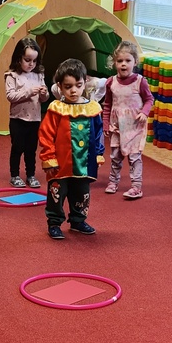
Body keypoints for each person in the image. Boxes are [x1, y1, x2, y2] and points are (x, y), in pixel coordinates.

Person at [38, 60, 104, 239]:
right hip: (60, 164)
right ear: (59, 86)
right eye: (68, 87)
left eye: (78, 85)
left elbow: (98, 133)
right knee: (57, 194)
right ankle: (54, 223)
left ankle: (78, 220)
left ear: (85, 83)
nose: (73, 90)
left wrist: (98, 154)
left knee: (82, 193)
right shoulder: (56, 109)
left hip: (84, 163)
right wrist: (49, 157)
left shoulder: (92, 108)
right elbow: (46, 134)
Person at [102, 40, 153, 199]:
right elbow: (107, 104)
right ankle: (113, 182)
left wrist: (144, 112)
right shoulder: (111, 82)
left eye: (127, 60)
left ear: (135, 62)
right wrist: (105, 123)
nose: (123, 64)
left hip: (135, 126)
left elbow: (149, 99)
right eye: (120, 61)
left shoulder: (140, 82)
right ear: (114, 63)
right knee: (115, 156)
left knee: (134, 157)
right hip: (117, 126)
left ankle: (136, 187)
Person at [4, 36, 48, 188]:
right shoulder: (12, 75)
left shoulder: (39, 75)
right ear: (18, 58)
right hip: (17, 119)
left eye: (34, 61)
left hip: (34, 119)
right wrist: (28, 92)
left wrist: (44, 93)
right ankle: (14, 175)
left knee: (31, 149)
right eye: (27, 60)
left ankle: (31, 175)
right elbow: (10, 96)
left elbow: (44, 98)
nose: (31, 64)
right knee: (17, 148)